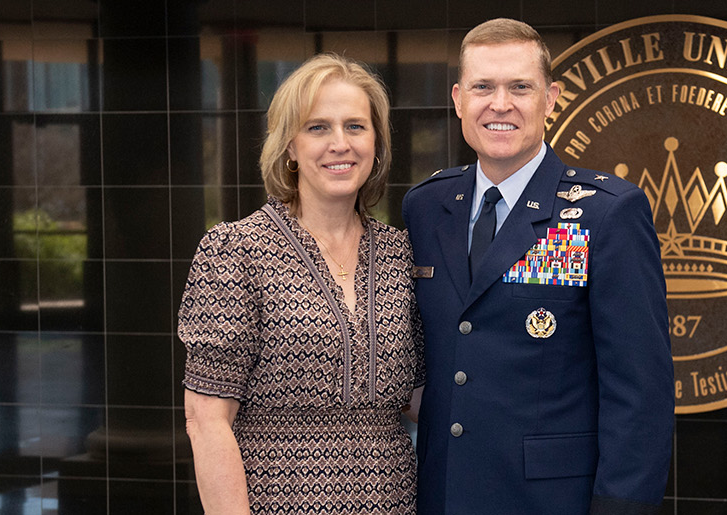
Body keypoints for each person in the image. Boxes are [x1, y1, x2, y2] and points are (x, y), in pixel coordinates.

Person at [400, 18, 674, 515]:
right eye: (483, 87)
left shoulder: (606, 212)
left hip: (551, 499)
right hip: (442, 494)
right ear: (459, 99)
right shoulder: (426, 207)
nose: (500, 104)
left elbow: (640, 393)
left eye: (520, 88)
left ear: (550, 99)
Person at [180, 54, 422, 515]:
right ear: (288, 146)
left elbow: (423, 396)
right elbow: (207, 421)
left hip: (393, 500)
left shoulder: (402, 254)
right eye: (317, 128)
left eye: (355, 126)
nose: (339, 144)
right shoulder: (236, 251)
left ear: (376, 143)